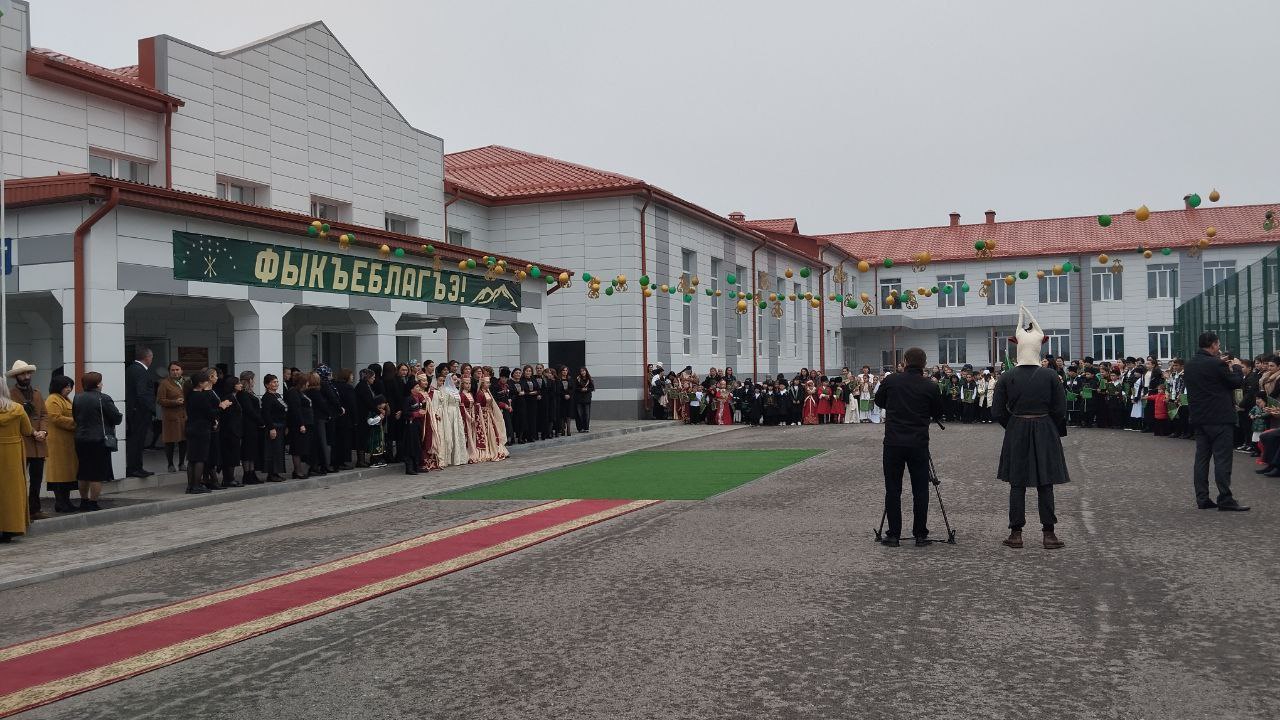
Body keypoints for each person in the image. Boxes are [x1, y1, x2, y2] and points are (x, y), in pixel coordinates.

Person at [991, 307, 1069, 550]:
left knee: (1017, 483)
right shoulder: (1050, 376)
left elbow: (997, 411)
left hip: (1017, 428)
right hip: (1045, 427)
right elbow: (1060, 410)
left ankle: (1016, 533)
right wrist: (1054, 429)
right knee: (1046, 483)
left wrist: (1013, 424)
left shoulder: (1006, 377)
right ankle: (1049, 534)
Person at [873, 347, 942, 547]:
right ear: (924, 363)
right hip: (918, 443)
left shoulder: (892, 380)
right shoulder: (930, 386)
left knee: (892, 489)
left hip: (893, 442)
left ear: (904, 361)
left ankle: (893, 534)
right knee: (920, 489)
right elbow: (937, 411)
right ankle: (920, 534)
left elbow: (879, 401)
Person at [1184, 331, 1249, 511]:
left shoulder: (1189, 365)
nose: (1219, 348)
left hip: (1199, 417)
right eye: (1218, 345)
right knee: (1222, 459)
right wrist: (1236, 367)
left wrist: (1222, 365)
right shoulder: (1216, 363)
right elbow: (1235, 382)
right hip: (1220, 417)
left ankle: (1202, 498)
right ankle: (1225, 498)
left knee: (1201, 459)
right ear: (1213, 344)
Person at [71, 372, 122, 510]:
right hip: (99, 439)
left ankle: (83, 501)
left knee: (83, 471)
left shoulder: (77, 397)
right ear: (98, 384)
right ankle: (93, 503)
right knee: (96, 474)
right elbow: (116, 418)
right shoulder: (104, 398)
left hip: (81, 438)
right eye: (101, 382)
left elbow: (75, 417)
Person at [7, 360, 49, 521]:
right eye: (23, 374)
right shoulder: (10, 395)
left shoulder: (37, 393)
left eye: (28, 373)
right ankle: (21, 511)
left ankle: (34, 509)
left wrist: (44, 431)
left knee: (37, 478)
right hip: (22, 441)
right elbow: (14, 419)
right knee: (19, 479)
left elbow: (45, 414)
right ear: (16, 376)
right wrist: (33, 432)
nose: (26, 376)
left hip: (39, 442)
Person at [0, 382, 36, 541]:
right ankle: (11, 527)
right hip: (13, 452)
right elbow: (27, 431)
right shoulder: (17, 408)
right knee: (13, 490)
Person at [44, 375, 79, 513]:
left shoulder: (65, 399)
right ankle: (61, 502)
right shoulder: (53, 399)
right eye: (66, 386)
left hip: (67, 443)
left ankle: (65, 502)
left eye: (70, 386)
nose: (69, 389)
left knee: (67, 475)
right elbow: (55, 418)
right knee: (59, 475)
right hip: (57, 443)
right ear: (58, 387)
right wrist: (77, 423)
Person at [124, 345, 156, 478]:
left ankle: (135, 467)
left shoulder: (131, 369)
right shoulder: (141, 371)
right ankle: (135, 468)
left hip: (133, 411)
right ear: (147, 357)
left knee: (134, 440)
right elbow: (142, 393)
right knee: (137, 440)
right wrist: (151, 409)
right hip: (140, 412)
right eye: (151, 358)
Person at [157, 362, 187, 473]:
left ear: (181, 370)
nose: (175, 372)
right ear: (169, 371)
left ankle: (182, 463)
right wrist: (174, 402)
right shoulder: (164, 383)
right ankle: (170, 464)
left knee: (184, 440)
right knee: (170, 440)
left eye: (177, 369)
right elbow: (160, 400)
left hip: (184, 415)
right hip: (171, 416)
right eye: (173, 370)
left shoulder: (186, 382)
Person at [217, 375, 245, 487]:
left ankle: (229, 478)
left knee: (232, 455)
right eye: (238, 383)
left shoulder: (235, 396)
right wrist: (234, 431)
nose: (241, 385)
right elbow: (227, 416)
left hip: (233, 430)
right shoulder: (229, 398)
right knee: (230, 455)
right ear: (233, 385)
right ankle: (229, 479)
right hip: (229, 432)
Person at [260, 374, 288, 482]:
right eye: (273, 382)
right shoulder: (267, 397)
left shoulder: (277, 395)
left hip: (281, 425)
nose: (276, 384)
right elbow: (266, 414)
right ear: (267, 385)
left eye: (277, 382)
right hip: (274, 426)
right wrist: (271, 428)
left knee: (279, 451)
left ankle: (276, 472)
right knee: (272, 450)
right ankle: (271, 474)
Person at [238, 371, 264, 485]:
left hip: (253, 425)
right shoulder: (243, 394)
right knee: (247, 450)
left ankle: (252, 473)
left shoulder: (250, 392)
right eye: (253, 379)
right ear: (249, 380)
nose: (254, 381)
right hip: (248, 425)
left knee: (252, 451)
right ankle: (247, 474)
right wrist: (260, 421)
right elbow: (249, 410)